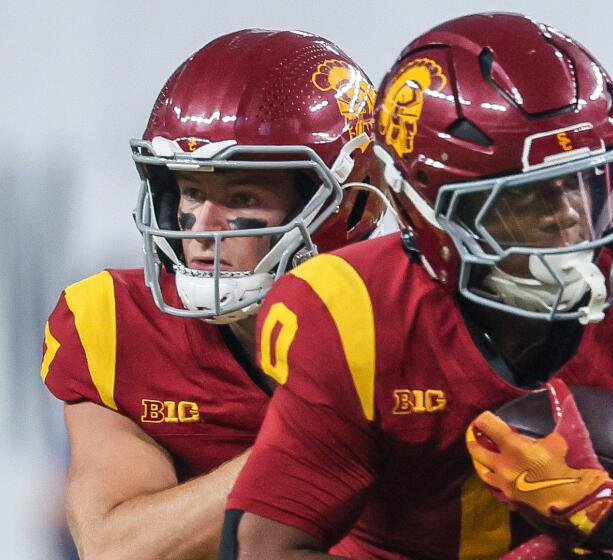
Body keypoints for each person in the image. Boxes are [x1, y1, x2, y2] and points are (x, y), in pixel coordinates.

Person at [223, 13, 613, 559]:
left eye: (588, 180)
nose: (572, 218)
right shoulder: (355, 314)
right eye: (522, 197)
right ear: (422, 212)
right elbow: (262, 550)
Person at [39, 28, 384, 559]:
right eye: (192, 191)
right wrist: (312, 440)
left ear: (353, 206)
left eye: (242, 195)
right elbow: (117, 549)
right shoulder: (112, 323)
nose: (202, 228)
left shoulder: (414, 320)